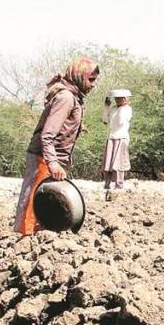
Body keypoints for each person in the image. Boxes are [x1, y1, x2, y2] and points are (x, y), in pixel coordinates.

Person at [14, 57, 100, 235]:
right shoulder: (66, 98)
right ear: (79, 76)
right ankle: (22, 239)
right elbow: (48, 134)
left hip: (52, 156)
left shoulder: (73, 96)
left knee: (44, 203)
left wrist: (76, 126)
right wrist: (52, 162)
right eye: (91, 79)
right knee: (32, 202)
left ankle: (37, 238)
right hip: (44, 157)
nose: (93, 85)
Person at [102, 89, 133, 200]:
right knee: (108, 162)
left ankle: (119, 184)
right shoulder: (114, 109)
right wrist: (107, 107)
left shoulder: (127, 109)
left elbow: (121, 121)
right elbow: (105, 120)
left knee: (119, 162)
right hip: (112, 136)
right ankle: (107, 183)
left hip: (121, 137)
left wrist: (121, 108)